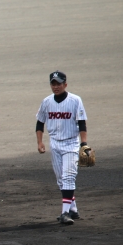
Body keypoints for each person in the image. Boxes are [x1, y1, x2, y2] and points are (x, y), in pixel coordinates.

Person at [36, 70, 88, 225]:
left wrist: (84, 143)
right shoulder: (46, 102)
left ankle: (65, 213)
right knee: (61, 180)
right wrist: (40, 142)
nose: (56, 86)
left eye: (58, 84)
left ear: (65, 84)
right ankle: (73, 209)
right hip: (55, 143)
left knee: (68, 177)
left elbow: (82, 123)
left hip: (71, 143)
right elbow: (39, 123)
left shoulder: (75, 100)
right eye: (53, 84)